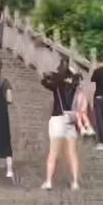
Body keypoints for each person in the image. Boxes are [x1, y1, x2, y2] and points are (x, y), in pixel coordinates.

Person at [41, 57, 81, 191]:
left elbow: (44, 82)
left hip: (58, 118)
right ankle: (75, 182)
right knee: (72, 153)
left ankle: (48, 181)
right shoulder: (74, 85)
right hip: (70, 119)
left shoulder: (57, 84)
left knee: (53, 153)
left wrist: (50, 75)